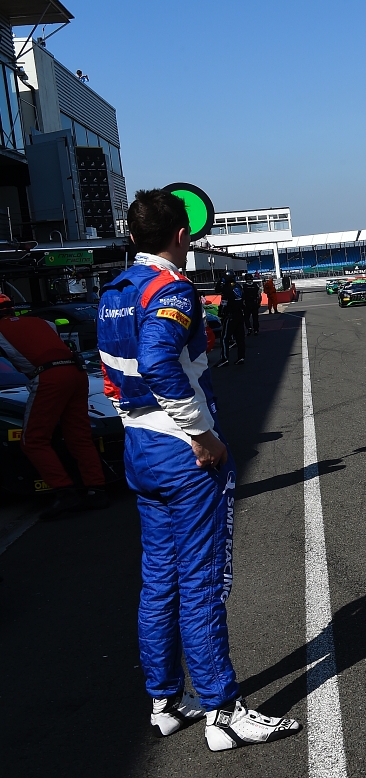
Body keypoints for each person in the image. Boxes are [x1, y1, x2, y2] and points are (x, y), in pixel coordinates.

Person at [96, 189, 300, 750]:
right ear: (182, 235)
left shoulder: (114, 292)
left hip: (139, 447)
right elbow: (158, 361)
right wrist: (201, 433)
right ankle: (222, 711)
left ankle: (164, 702)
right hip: (183, 453)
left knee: (159, 581)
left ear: (132, 236)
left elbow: (112, 375)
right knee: (202, 581)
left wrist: (135, 420)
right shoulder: (171, 288)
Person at [0, 295, 107, 519]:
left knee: (33, 440)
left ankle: (64, 492)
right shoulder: (42, 322)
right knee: (79, 436)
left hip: (49, 377)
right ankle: (96, 490)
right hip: (77, 373)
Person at [215, 273, 245, 366]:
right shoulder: (238, 286)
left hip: (230, 315)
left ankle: (224, 358)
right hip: (240, 313)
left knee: (224, 337)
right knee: (240, 337)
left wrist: (221, 313)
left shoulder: (226, 288)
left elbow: (218, 292)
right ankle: (241, 357)